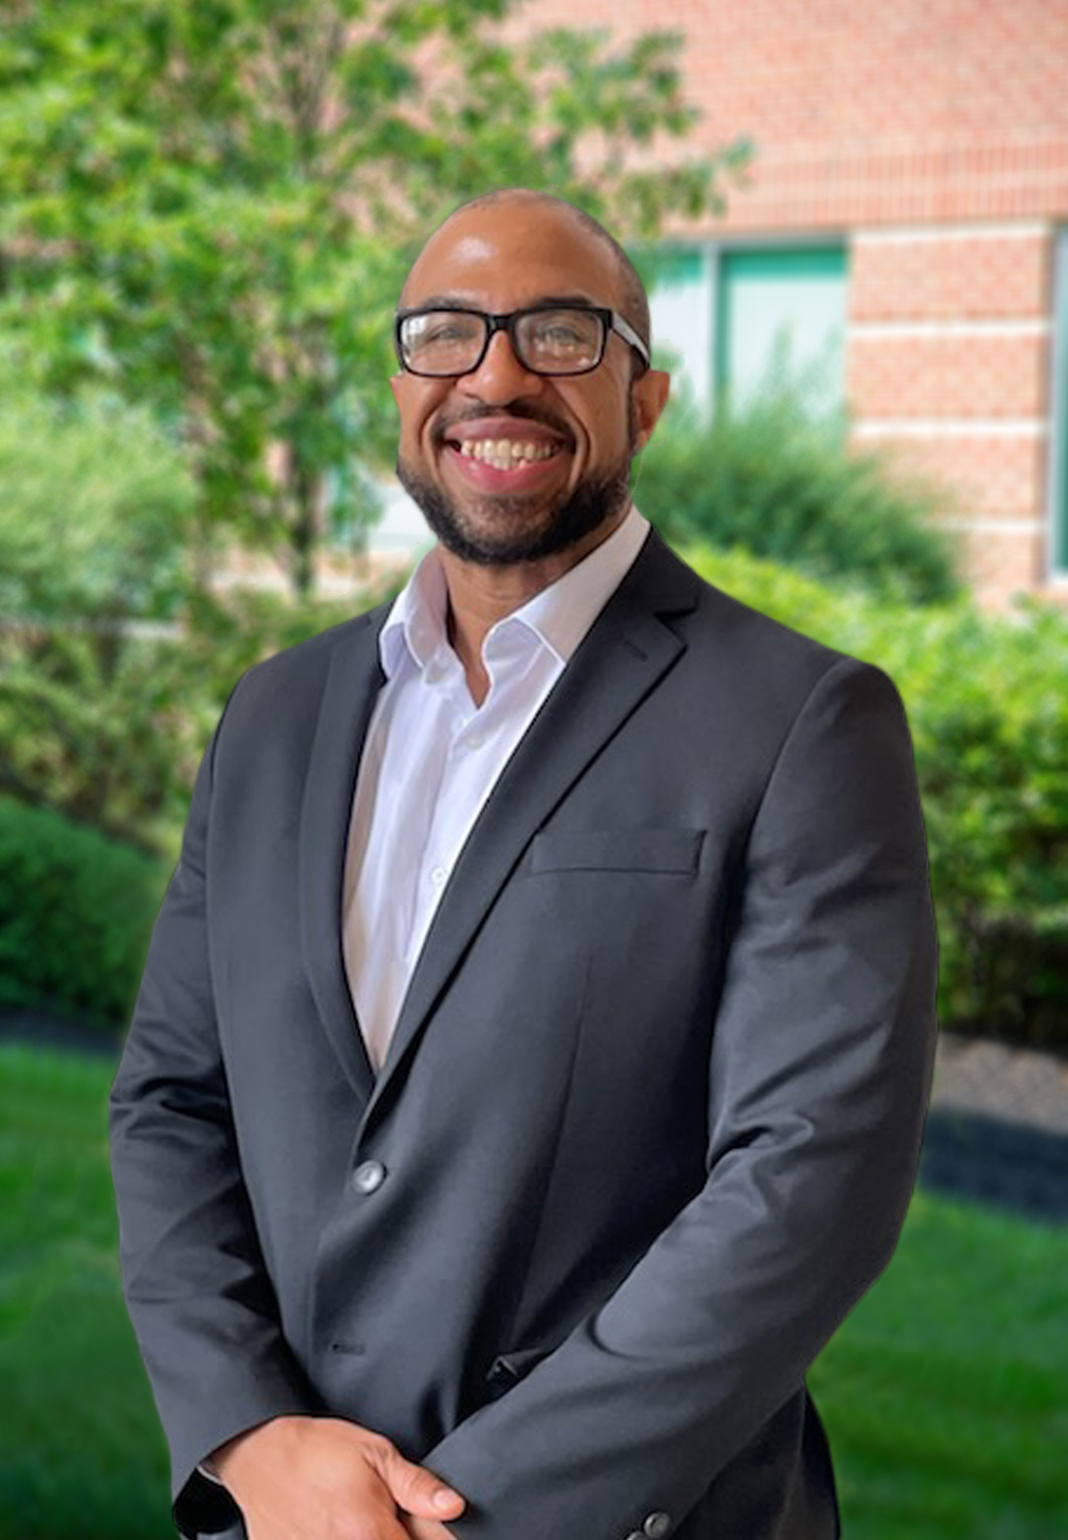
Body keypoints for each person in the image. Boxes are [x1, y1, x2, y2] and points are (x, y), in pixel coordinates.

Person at [109, 187, 938, 1540]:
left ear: (645, 401)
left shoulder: (801, 721)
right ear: (399, 390)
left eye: (559, 333)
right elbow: (170, 1103)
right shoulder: (273, 716)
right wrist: (248, 1433)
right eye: (445, 333)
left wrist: (455, 1518)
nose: (494, 377)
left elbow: (807, 1183)